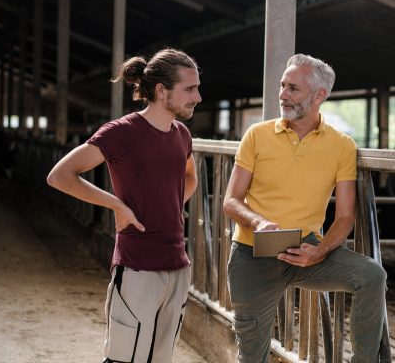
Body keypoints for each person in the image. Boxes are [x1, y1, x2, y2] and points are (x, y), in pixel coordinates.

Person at [223, 54, 387, 363]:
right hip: (252, 252)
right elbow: (231, 201)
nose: (283, 94)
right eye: (282, 86)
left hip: (308, 251)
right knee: (251, 356)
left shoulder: (342, 145)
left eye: (293, 88)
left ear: (319, 95)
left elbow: (345, 217)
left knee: (372, 275)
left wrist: (320, 251)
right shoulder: (256, 135)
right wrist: (258, 222)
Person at [46, 48, 202, 363]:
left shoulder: (182, 134)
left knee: (160, 359)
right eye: (189, 88)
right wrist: (117, 204)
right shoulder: (121, 132)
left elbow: (190, 179)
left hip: (178, 265)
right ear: (162, 91)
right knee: (123, 359)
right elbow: (60, 176)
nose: (197, 96)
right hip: (137, 265)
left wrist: (167, 206)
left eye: (197, 88)